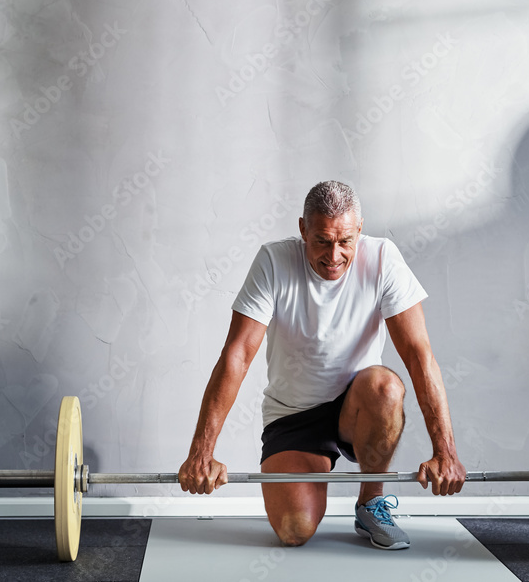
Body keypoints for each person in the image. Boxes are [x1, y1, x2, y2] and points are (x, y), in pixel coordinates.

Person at [178, 181, 465, 549]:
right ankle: (311, 478)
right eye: (322, 241)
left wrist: (446, 453)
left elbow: (419, 356)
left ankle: (371, 501)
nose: (334, 255)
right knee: (294, 531)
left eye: (345, 240)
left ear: (359, 229)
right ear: (303, 230)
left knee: (386, 387)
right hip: (293, 415)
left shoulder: (382, 259)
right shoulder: (274, 261)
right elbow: (237, 355)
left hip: (357, 406)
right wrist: (202, 451)